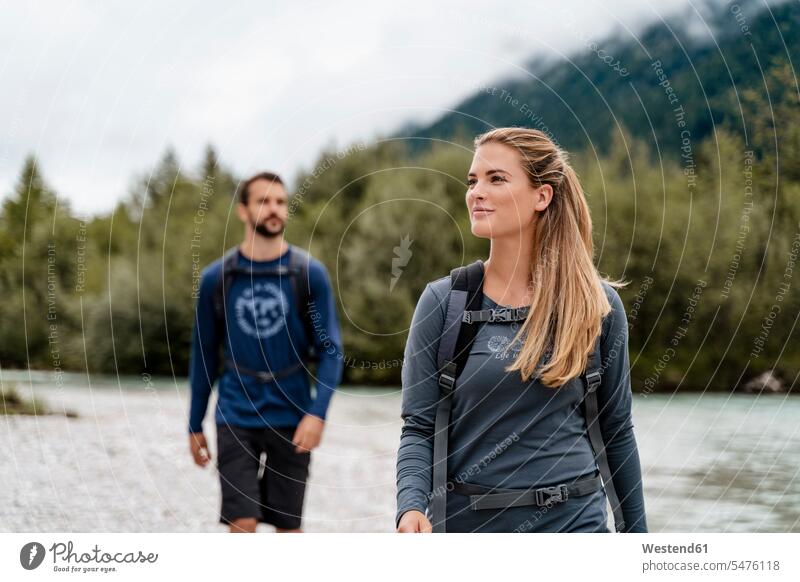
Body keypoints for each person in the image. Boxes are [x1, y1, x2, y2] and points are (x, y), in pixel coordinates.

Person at [395, 127, 647, 533]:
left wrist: (640, 547)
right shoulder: (444, 304)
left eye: (496, 179)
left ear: (541, 196)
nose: (476, 191)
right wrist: (410, 507)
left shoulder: (597, 306)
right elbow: (419, 427)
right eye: (472, 180)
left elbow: (617, 432)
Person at [188, 171, 344, 533]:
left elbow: (331, 351)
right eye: (263, 201)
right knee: (241, 524)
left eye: (280, 202)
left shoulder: (307, 274)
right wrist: (194, 424)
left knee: (289, 530)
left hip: (292, 416)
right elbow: (204, 355)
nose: (274, 209)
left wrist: (318, 413)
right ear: (243, 210)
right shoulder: (218, 278)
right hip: (235, 414)